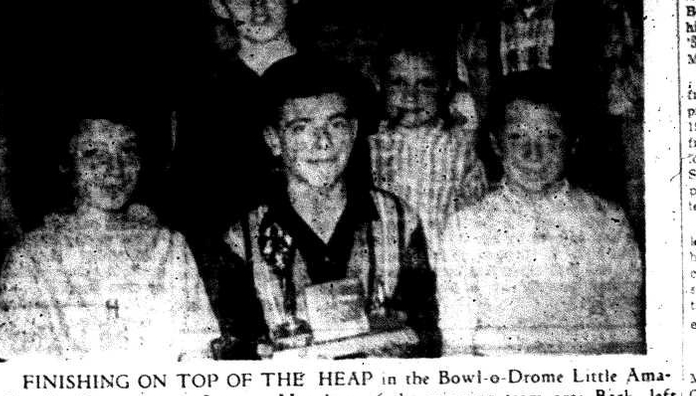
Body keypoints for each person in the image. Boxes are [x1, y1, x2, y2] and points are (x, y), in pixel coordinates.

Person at [224, 54, 439, 357]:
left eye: (336, 124)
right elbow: (236, 348)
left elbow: (427, 331)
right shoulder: (241, 239)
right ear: (274, 140)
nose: (322, 142)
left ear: (353, 132)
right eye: (301, 127)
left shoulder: (400, 220)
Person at [438, 70, 644, 356]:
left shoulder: (607, 221)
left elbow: (625, 326)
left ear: (573, 143)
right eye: (517, 136)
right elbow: (457, 340)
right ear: (496, 143)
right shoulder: (466, 228)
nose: (532, 152)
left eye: (550, 137)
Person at [0, 110, 220, 360]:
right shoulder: (33, 258)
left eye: (127, 150)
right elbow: (26, 376)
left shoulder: (170, 247)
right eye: (94, 154)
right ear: (65, 163)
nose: (115, 169)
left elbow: (197, 360)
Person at [167, 0, 304, 239]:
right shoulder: (202, 95)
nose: (258, 4)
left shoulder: (337, 82)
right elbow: (189, 198)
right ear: (218, 5)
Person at [370, 41, 486, 263]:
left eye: (425, 84)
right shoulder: (370, 148)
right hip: (386, 267)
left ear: (445, 87)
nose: (411, 96)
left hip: (444, 266)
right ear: (379, 84)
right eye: (398, 82)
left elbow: (475, 214)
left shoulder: (460, 150)